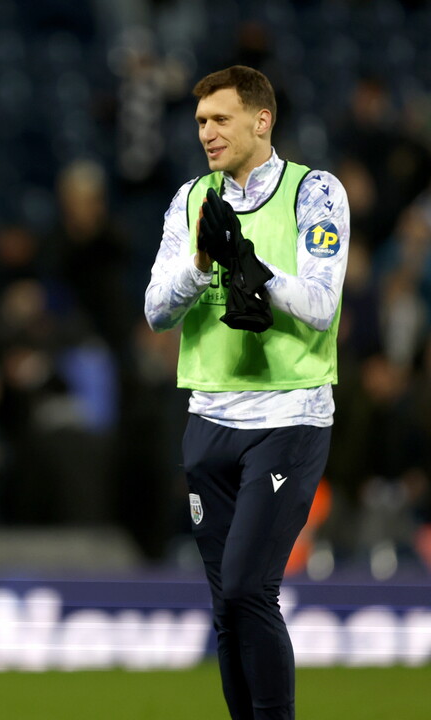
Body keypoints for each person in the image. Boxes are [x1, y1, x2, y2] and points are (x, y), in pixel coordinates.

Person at [144, 65, 349, 720]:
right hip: (208, 418)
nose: (206, 131)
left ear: (262, 121)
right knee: (225, 605)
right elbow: (155, 310)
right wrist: (203, 262)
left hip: (290, 417)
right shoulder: (190, 199)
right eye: (201, 120)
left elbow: (319, 305)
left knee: (247, 588)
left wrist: (248, 267)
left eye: (220, 118)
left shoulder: (315, 192)